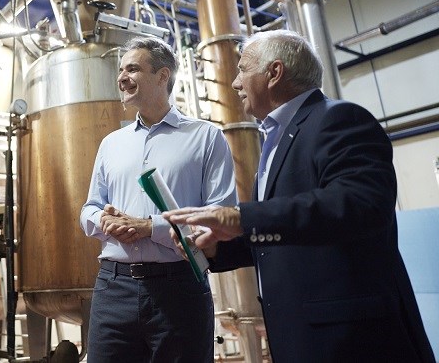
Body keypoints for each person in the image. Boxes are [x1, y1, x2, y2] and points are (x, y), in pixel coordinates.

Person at [165, 30, 435, 363]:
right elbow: (290, 234)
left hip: (353, 339)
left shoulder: (338, 119)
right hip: (300, 334)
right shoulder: (275, 140)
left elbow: (360, 205)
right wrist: (218, 248)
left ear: (274, 73)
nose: (235, 83)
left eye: (243, 69)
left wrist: (242, 218)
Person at [80, 36, 236, 363]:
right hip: (114, 287)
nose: (122, 77)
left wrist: (150, 227)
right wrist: (103, 221)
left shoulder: (205, 137)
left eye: (132, 69)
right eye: (121, 70)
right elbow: (90, 208)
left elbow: (220, 215)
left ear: (163, 76)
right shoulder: (111, 143)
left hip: (179, 287)